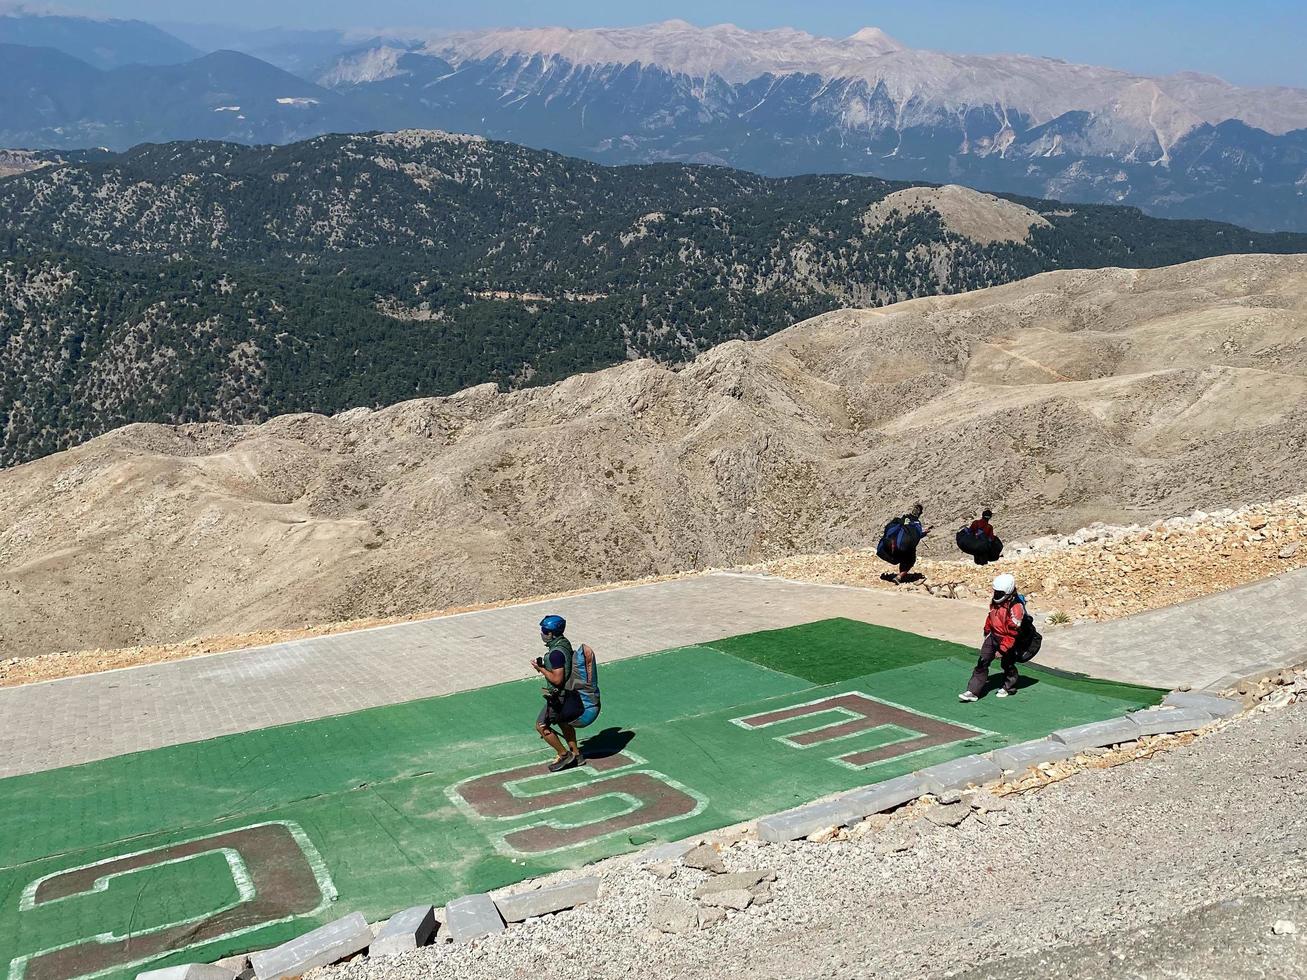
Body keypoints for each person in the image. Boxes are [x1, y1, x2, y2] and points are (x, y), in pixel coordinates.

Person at [531, 614, 601, 772]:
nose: (542, 633)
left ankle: (564, 755)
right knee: (563, 722)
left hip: (559, 695)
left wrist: (541, 669)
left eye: (544, 630)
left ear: (551, 633)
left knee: (541, 725)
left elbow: (557, 679)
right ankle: (576, 754)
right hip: (568, 694)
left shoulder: (555, 654)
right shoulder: (564, 643)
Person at [959, 573, 1025, 701]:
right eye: (995, 592)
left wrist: (1002, 649)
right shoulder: (995, 602)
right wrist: (987, 630)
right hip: (993, 636)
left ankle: (1008, 686)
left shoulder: (1016, 607)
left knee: (1007, 665)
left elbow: (1013, 633)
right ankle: (973, 691)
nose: (996, 595)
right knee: (982, 662)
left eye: (999, 593)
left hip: (1007, 640)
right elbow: (991, 616)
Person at [877, 502, 931, 583]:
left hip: (889, 548)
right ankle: (899, 576)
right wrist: (925, 532)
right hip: (902, 550)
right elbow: (915, 537)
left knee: (904, 553)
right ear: (920, 514)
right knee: (911, 558)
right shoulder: (917, 524)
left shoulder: (902, 519)